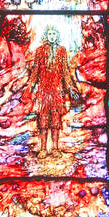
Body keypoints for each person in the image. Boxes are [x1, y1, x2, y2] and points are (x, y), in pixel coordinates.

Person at [23, 25, 83, 153]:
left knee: (56, 120)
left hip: (57, 90)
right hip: (44, 90)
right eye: (49, 34)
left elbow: (65, 72)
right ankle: (43, 148)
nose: (52, 36)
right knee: (43, 120)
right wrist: (29, 87)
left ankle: (55, 148)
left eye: (54, 34)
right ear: (46, 35)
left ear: (57, 36)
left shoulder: (62, 51)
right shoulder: (40, 51)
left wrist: (71, 88)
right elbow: (35, 71)